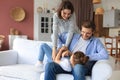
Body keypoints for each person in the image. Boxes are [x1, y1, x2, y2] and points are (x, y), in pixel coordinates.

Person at [44, 20, 109, 80]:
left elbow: (105, 55)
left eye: (88, 33)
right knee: (49, 66)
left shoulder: (96, 41)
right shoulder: (73, 36)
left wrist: (83, 57)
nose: (84, 35)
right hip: (68, 63)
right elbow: (54, 36)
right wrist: (61, 48)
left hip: (81, 65)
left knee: (78, 68)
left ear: (93, 32)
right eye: (83, 32)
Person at [35, 0, 79, 66]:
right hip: (63, 35)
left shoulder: (72, 15)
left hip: (73, 34)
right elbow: (55, 31)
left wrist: (66, 47)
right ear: (60, 10)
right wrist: (54, 49)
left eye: (68, 14)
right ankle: (40, 61)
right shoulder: (56, 15)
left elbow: (71, 31)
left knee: (52, 44)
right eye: (64, 13)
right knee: (53, 36)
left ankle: (61, 49)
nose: (66, 16)